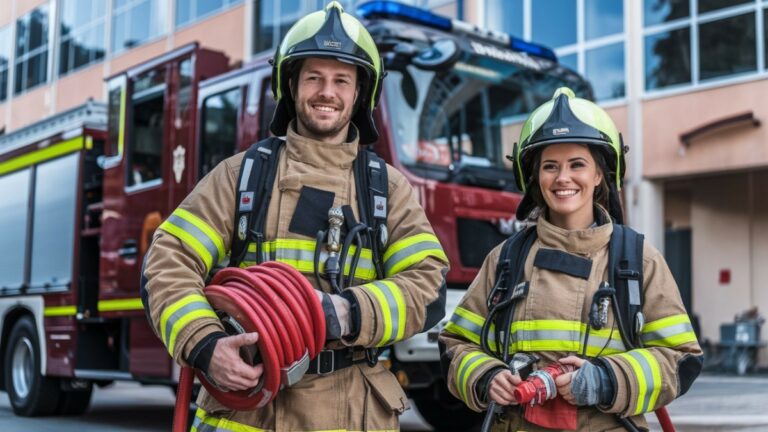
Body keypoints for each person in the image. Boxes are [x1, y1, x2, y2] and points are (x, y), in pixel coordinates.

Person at [140, 2, 448, 430]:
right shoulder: (243, 176)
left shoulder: (387, 189)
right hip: (248, 407)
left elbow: (427, 287)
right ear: (290, 84)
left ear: (360, 93)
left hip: (352, 410)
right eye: (314, 78)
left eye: (342, 80)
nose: (327, 91)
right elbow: (167, 261)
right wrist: (207, 346)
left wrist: (344, 312)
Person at [439, 87, 702, 431]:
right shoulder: (506, 259)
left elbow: (681, 360)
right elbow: (455, 346)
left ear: (598, 175)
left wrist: (606, 380)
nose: (563, 178)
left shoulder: (638, 261)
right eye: (550, 166)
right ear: (535, 177)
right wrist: (485, 376)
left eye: (577, 164)